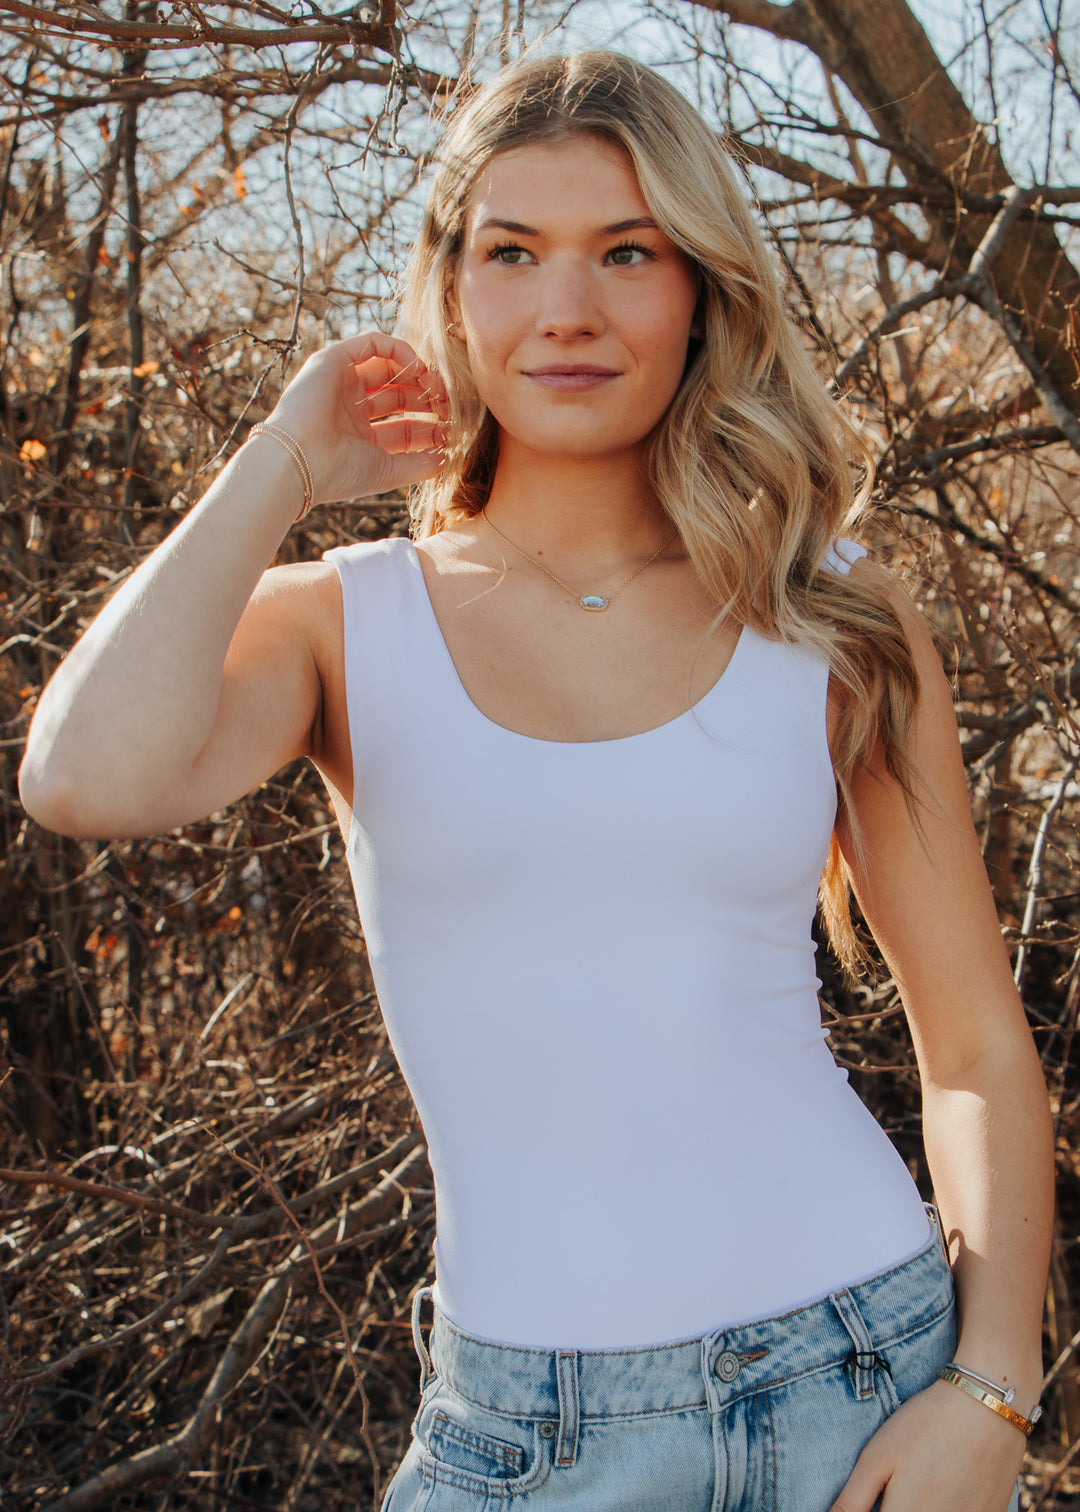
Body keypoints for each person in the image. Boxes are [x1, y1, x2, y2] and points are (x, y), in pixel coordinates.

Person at [20, 48, 1052, 1512]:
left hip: (857, 1387)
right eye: (513, 252)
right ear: (452, 288)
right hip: (526, 1439)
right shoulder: (340, 621)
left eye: (627, 252)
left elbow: (972, 1053)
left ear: (700, 285)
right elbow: (80, 774)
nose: (568, 309)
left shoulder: (829, 613)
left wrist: (988, 1392)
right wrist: (286, 459)